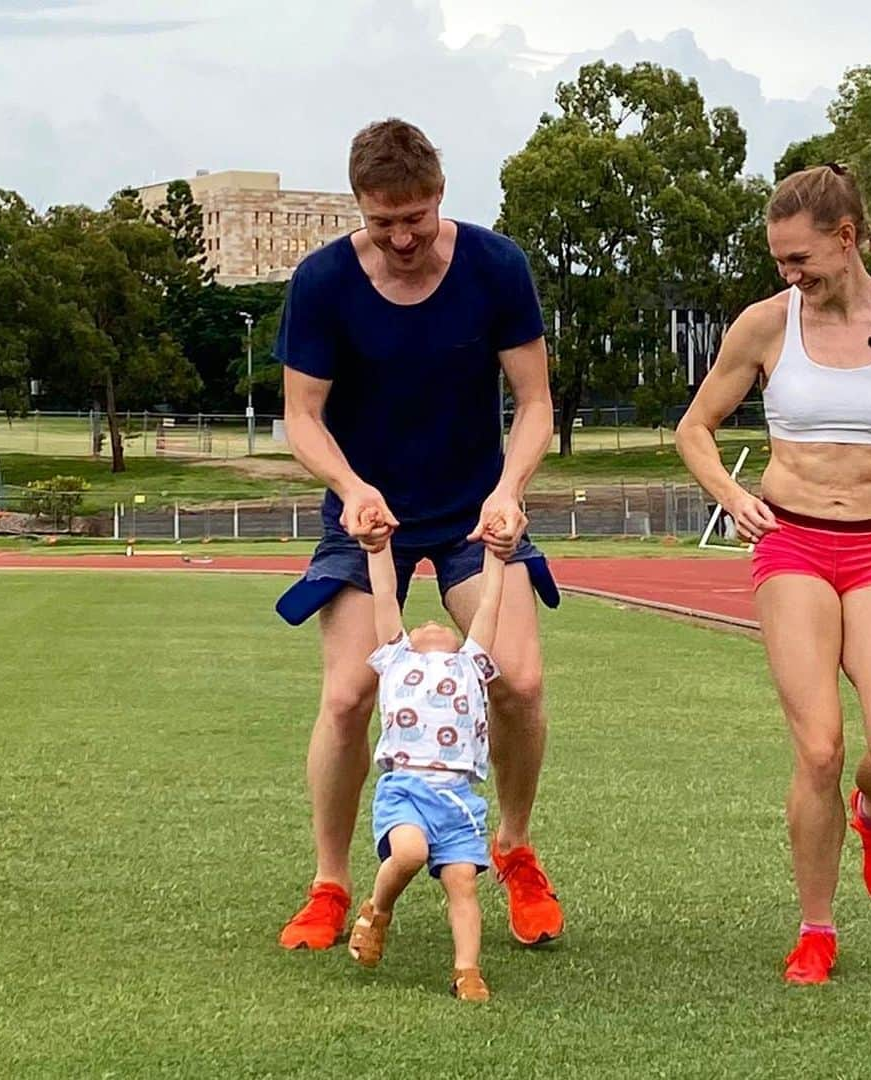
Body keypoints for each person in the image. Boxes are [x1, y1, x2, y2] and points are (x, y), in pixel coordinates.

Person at [675, 164, 871, 985]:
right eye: (780, 262)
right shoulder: (763, 327)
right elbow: (695, 430)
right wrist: (731, 494)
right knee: (819, 748)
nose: (789, 275)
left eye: (799, 259)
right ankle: (817, 926)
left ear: (846, 240)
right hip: (792, 546)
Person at [274, 118, 564, 954]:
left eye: (419, 216)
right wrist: (349, 486)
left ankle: (511, 847)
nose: (403, 237)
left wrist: (510, 491)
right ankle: (331, 882)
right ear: (359, 206)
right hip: (368, 513)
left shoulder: (497, 266)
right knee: (346, 697)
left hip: (477, 508)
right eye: (382, 221)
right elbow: (302, 415)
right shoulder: (324, 281)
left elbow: (536, 404)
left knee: (520, 683)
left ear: (441, 192)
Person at [346, 536, 504, 1002]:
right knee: (409, 854)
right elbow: (384, 596)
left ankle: (467, 971)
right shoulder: (397, 658)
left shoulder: (472, 662)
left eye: (441, 622)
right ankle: (378, 911)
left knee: (463, 884)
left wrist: (496, 554)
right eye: (421, 623)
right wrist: (378, 550)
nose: (432, 622)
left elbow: (490, 603)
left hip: (459, 799)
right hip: (408, 789)